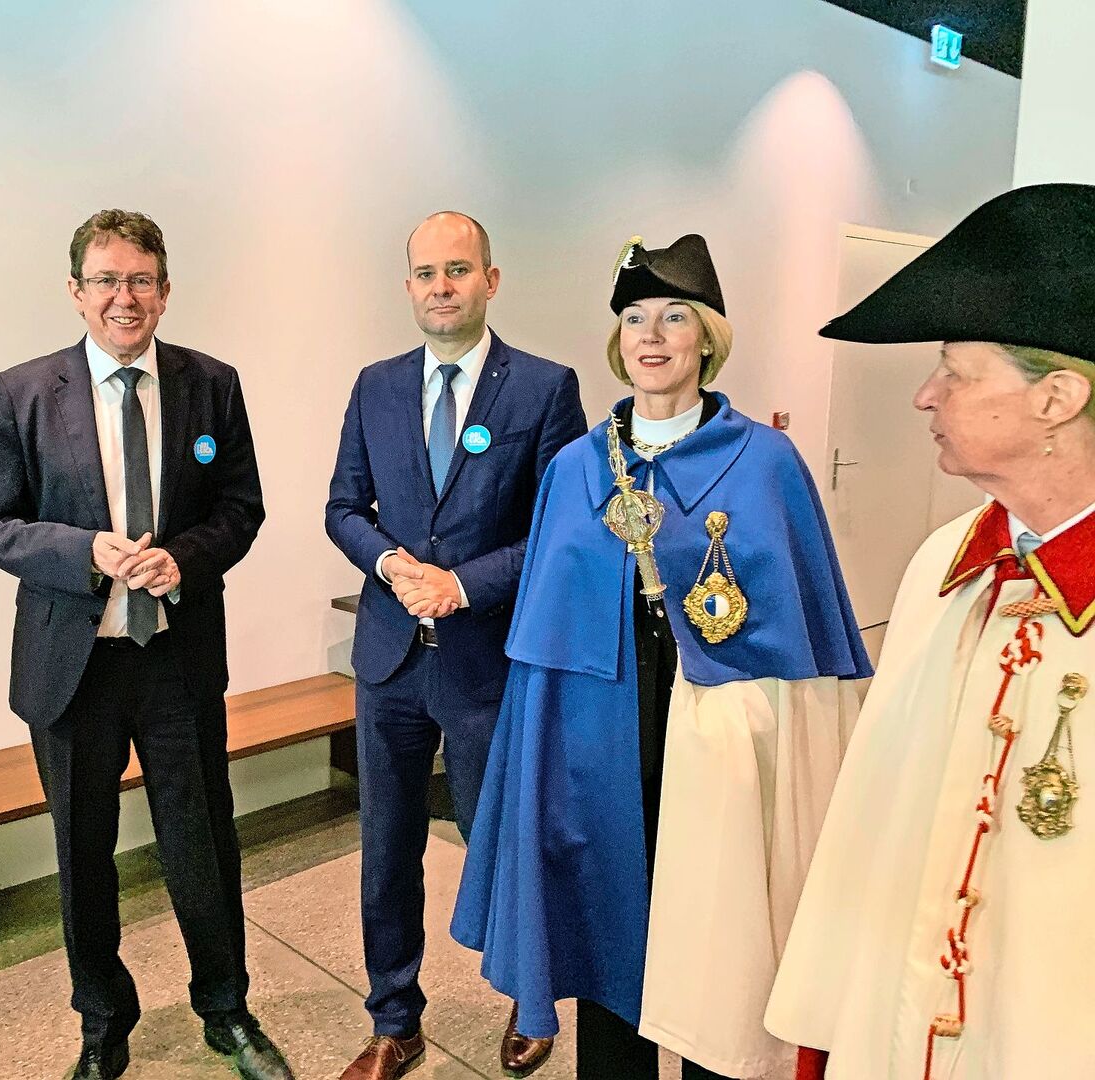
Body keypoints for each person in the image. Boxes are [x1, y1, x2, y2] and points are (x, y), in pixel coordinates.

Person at [451, 233, 872, 1079]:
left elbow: (805, 621)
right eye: (635, 318)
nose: (651, 335)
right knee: (610, 932)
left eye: (674, 316)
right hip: (597, 738)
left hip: (723, 740)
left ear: (707, 338)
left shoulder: (766, 463)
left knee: (722, 934)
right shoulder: (576, 468)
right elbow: (546, 631)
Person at [766, 183, 1095, 1080]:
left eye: (956, 370)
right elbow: (876, 824)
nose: (925, 395)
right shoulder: (945, 564)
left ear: (1057, 398)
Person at [0, 209, 290, 1080]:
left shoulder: (211, 384)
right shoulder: (22, 391)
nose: (125, 297)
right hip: (72, 669)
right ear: (76, 292)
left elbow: (241, 508)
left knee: (202, 843)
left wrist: (182, 558)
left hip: (176, 660)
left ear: (166, 290)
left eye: (141, 280)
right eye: (107, 280)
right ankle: (103, 1023)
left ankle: (226, 1011)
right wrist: (84, 552)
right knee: (84, 854)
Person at [325, 211, 586, 1080]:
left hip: (488, 660)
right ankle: (394, 1022)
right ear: (409, 287)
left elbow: (562, 527)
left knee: (504, 842)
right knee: (386, 850)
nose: (442, 287)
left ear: (490, 280)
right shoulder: (376, 386)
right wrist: (390, 561)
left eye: (459, 270)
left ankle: (530, 998)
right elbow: (342, 508)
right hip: (390, 659)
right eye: (427, 273)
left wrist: (463, 585)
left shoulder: (544, 388)